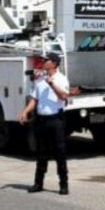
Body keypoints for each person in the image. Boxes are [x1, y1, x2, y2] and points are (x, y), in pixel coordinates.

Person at [18, 52, 71, 195]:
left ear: (54, 63)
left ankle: (63, 185)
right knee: (41, 152)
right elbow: (34, 99)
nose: (44, 62)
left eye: (47, 60)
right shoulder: (40, 80)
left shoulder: (61, 79)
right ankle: (38, 183)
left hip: (56, 120)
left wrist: (52, 84)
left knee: (60, 152)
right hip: (41, 120)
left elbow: (64, 96)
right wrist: (25, 111)